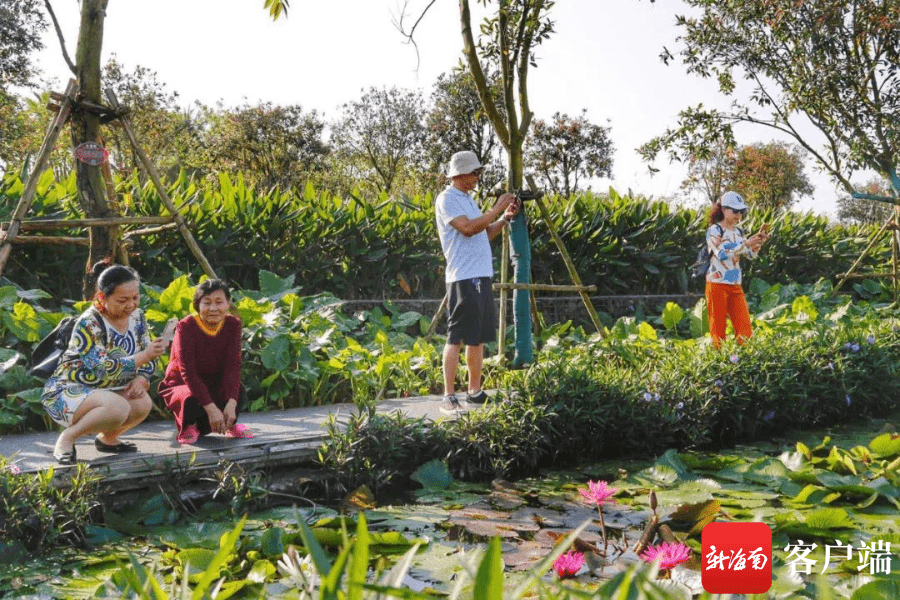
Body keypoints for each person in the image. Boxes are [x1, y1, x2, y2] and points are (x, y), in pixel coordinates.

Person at [42, 261, 167, 464]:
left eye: (135, 298)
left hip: (109, 391)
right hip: (67, 391)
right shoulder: (89, 322)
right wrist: (144, 356)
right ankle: (67, 438)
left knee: (142, 402)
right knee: (118, 407)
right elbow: (101, 369)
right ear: (102, 297)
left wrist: (142, 377)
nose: (131, 305)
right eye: (122, 300)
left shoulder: (138, 317)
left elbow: (148, 355)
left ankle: (108, 439)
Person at [435, 150, 520, 414]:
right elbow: (468, 229)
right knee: (456, 337)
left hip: (482, 276)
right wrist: (495, 208)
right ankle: (448, 396)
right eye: (474, 172)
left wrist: (504, 217)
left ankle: (474, 391)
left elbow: (484, 233)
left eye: (478, 172)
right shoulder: (447, 198)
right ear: (459, 174)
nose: (477, 177)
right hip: (463, 277)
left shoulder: (469, 201)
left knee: (478, 339)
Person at [157, 279, 252, 444]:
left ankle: (230, 424)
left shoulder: (233, 324)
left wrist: (231, 403)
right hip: (184, 383)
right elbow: (188, 373)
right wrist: (212, 408)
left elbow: (233, 365)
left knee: (237, 392)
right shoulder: (185, 326)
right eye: (207, 303)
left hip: (214, 381)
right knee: (190, 399)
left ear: (228, 303)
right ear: (197, 305)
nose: (213, 308)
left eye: (219, 302)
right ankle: (190, 425)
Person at [705, 191, 770, 348]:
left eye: (741, 211)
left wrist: (757, 243)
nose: (738, 215)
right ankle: (719, 364)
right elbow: (721, 253)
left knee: (745, 331)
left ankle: (743, 364)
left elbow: (749, 255)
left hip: (735, 284)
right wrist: (745, 245)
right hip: (717, 283)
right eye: (735, 210)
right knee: (718, 331)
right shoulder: (715, 230)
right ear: (724, 209)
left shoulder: (739, 232)